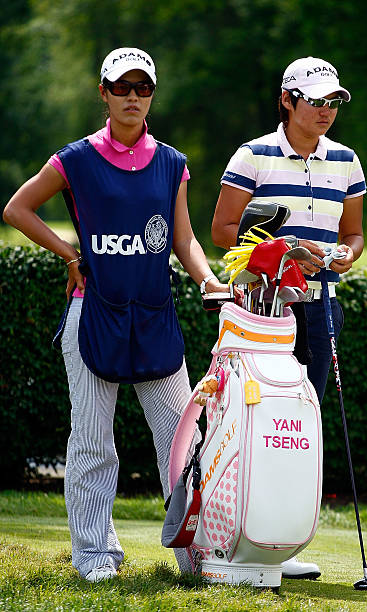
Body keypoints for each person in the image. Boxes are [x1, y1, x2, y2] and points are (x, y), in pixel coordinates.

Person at [3, 47, 228, 583]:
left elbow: (185, 238)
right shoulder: (74, 159)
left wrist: (209, 279)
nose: (132, 97)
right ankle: (94, 555)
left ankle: (195, 554)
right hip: (93, 316)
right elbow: (16, 208)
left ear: (152, 94)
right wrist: (68, 254)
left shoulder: (173, 163)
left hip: (154, 316)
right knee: (91, 440)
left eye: (142, 88)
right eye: (121, 87)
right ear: (102, 92)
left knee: (183, 437)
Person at [211, 56, 366, 579]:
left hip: (320, 305)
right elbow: (223, 229)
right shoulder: (253, 155)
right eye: (316, 101)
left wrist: (347, 254)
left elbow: (354, 234)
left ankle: (283, 546)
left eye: (333, 102)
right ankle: (235, 531)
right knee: (252, 422)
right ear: (287, 100)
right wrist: (285, 249)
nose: (326, 111)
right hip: (262, 309)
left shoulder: (346, 160)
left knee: (299, 425)